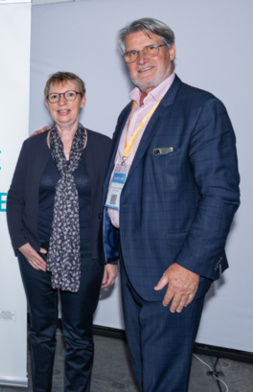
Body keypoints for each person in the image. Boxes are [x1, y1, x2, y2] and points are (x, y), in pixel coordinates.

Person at [103, 18, 240, 391]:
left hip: (173, 268)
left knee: (163, 376)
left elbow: (221, 194)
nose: (141, 58)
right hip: (133, 262)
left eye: (151, 47)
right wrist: (111, 255)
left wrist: (190, 267)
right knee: (146, 367)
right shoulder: (128, 112)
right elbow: (120, 184)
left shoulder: (200, 108)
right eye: (132, 52)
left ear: (171, 50)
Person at [7, 72, 117, 392]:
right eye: (55, 96)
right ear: (47, 103)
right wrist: (22, 245)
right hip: (37, 255)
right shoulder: (32, 146)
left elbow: (113, 205)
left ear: (83, 100)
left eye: (70, 95)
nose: (62, 102)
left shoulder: (103, 146)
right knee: (40, 331)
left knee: (78, 335)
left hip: (86, 256)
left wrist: (111, 257)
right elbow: (14, 198)